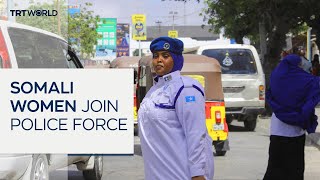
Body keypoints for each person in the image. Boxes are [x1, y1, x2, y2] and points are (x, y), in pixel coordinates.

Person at [138, 37, 214, 180]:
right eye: (156, 56)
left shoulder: (185, 89)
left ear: (177, 59)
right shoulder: (154, 91)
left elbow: (196, 135)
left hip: (181, 174)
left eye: (165, 56)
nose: (159, 60)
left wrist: (198, 173)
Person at [263, 53, 320, 180]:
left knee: (274, 168)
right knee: (295, 170)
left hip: (277, 130)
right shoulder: (304, 81)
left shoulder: (276, 77)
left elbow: (271, 95)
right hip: (295, 132)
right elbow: (313, 89)